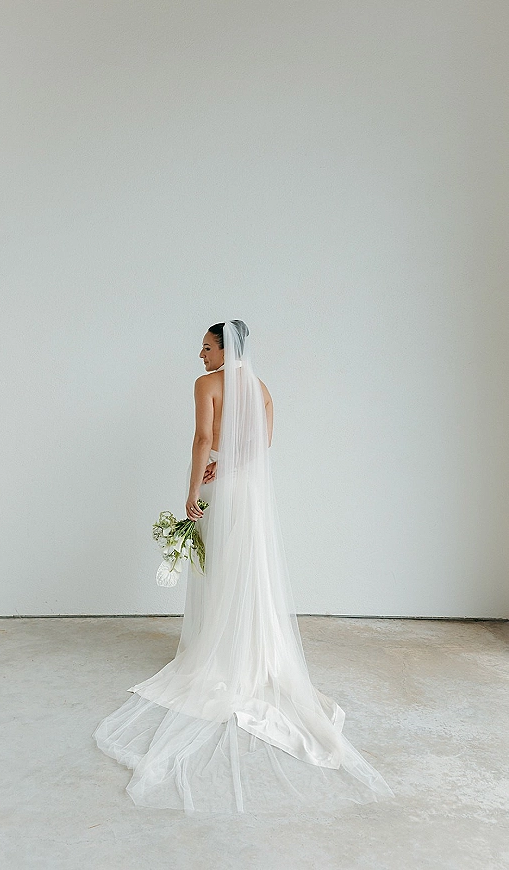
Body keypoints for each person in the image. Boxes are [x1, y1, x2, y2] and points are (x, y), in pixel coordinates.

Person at [93, 320, 395, 815]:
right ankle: (249, 653)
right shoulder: (259, 387)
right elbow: (263, 444)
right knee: (246, 571)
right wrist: (230, 465)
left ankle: (216, 652)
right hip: (250, 493)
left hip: (223, 494)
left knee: (217, 571)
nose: (201, 355)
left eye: (207, 347)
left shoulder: (207, 385)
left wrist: (193, 491)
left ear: (223, 348)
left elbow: (202, 437)